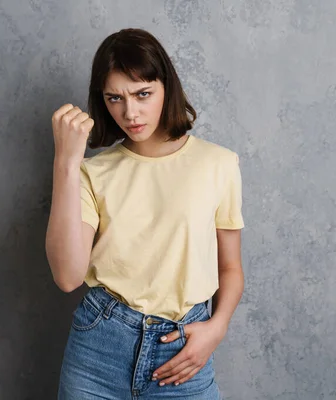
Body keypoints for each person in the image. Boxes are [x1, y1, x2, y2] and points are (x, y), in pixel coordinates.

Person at [46, 28, 245, 400]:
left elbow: (230, 268)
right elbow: (67, 276)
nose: (130, 112)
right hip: (98, 349)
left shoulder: (218, 164)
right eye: (114, 98)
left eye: (142, 94)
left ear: (166, 87)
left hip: (183, 349)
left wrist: (216, 328)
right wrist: (66, 162)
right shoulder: (93, 172)